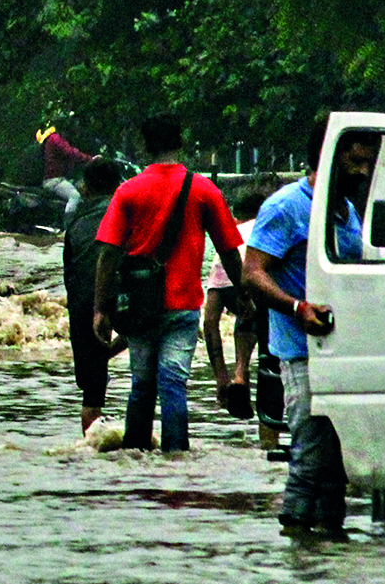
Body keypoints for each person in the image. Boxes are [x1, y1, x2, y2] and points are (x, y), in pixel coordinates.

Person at [246, 123, 381, 533]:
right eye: (354, 162)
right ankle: (295, 538)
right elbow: (253, 273)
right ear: (327, 157)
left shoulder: (347, 212)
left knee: (336, 467)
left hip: (339, 351)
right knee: (308, 459)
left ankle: (324, 550)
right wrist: (296, 307)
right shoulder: (286, 206)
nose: (363, 172)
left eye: (367, 163)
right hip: (301, 352)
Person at [93, 115, 245, 452]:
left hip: (139, 307)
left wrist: (100, 310)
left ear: (145, 146)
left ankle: (134, 458)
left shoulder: (128, 191)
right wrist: (245, 296)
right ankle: (176, 461)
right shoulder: (203, 190)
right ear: (181, 142)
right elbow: (229, 253)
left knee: (141, 385)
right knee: (174, 384)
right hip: (183, 306)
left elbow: (108, 255)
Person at [62, 157, 126, 432]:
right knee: (143, 338)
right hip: (129, 300)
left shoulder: (76, 226)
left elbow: (70, 279)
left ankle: (90, 446)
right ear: (118, 185)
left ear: (86, 188)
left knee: (91, 391)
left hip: (85, 305)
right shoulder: (130, 215)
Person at [202, 184, 272, 429]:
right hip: (265, 290)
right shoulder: (267, 229)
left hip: (233, 287)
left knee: (245, 313)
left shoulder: (227, 243)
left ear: (235, 217)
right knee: (270, 368)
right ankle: (269, 437)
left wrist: (220, 376)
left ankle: (239, 373)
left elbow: (210, 321)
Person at [37, 123, 95, 214]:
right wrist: (90, 159)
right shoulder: (55, 138)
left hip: (62, 178)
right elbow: (70, 152)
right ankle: (69, 222)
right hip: (54, 180)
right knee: (75, 196)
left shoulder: (60, 138)